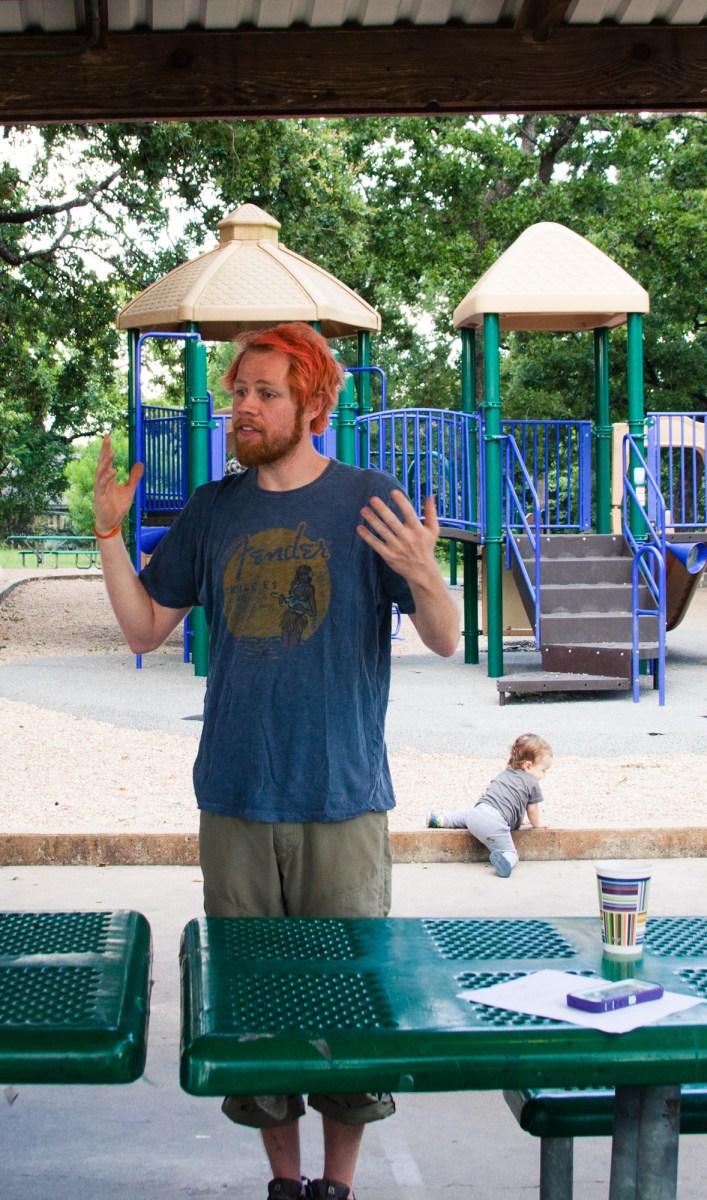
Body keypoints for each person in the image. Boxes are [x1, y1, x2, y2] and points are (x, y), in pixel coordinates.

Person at [93, 322, 460, 1200]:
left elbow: (445, 641)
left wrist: (427, 571)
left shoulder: (369, 500)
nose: (243, 408)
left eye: (264, 392)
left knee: (346, 1005)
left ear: (313, 404)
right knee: (256, 1016)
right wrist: (110, 536)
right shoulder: (216, 509)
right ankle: (285, 1184)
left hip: (342, 800)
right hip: (235, 799)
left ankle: (337, 1186)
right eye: (238, 394)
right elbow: (146, 629)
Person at [427, 733, 552, 877]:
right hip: (495, 826)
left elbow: (504, 801)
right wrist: (537, 824)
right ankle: (505, 861)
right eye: (543, 770)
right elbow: (533, 810)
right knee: (511, 853)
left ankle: (440, 820)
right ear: (528, 766)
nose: (544, 775)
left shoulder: (506, 773)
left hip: (477, 813)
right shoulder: (532, 783)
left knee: (464, 815)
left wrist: (519, 820)